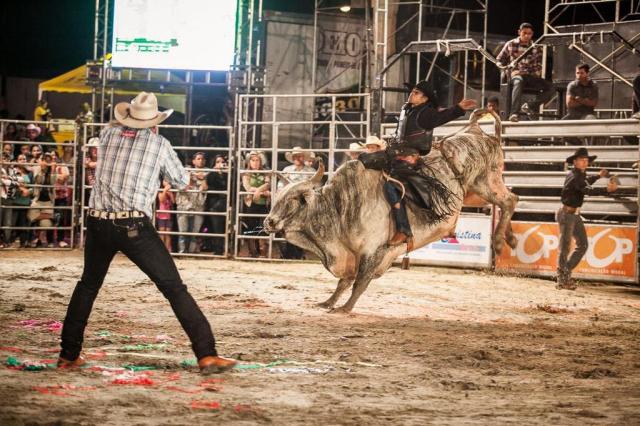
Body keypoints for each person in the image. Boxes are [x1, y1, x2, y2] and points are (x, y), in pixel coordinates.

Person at [57, 91, 236, 374]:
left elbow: (115, 139)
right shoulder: (159, 143)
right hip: (133, 226)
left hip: (98, 222)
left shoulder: (107, 136)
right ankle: (206, 353)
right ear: (155, 122)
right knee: (174, 288)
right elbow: (180, 179)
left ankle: (68, 354)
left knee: (88, 285)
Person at [371, 80, 476, 247]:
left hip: (408, 159)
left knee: (391, 187)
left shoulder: (425, 114)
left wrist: (459, 108)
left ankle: (404, 230)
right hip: (396, 154)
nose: (412, 94)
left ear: (425, 99)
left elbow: (441, 117)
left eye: (416, 92)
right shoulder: (408, 110)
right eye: (412, 91)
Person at [556, 147, 618, 290]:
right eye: (582, 160)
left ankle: (564, 273)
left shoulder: (577, 175)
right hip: (568, 214)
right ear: (575, 162)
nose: (585, 162)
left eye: (586, 160)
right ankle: (562, 279)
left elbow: (584, 183)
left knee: (580, 245)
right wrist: (606, 190)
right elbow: (586, 189)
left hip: (572, 214)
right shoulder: (576, 177)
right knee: (567, 247)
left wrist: (598, 176)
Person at [497, 22, 554, 122]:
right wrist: (507, 71)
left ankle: (530, 105)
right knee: (518, 81)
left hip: (529, 76)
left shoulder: (535, 47)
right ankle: (514, 114)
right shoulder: (510, 44)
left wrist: (527, 73)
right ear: (519, 32)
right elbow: (499, 61)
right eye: (524, 33)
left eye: (529, 34)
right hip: (515, 76)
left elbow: (538, 68)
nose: (527, 36)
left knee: (551, 87)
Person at [280, 147, 315, 259]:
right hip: (289, 203)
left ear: (303, 157)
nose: (297, 158)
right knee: (288, 227)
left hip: (304, 203)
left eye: (300, 156)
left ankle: (298, 253)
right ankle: (290, 253)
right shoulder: (286, 169)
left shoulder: (311, 172)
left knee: (301, 228)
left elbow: (316, 186)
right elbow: (280, 185)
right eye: (295, 156)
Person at [175, 152, 208, 253]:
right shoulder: (185, 171)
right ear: (193, 161)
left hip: (198, 204)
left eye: (202, 159)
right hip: (184, 205)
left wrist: (200, 178)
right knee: (183, 231)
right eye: (198, 159)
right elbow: (183, 186)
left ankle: (191, 252)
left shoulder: (207, 172)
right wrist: (189, 176)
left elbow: (205, 187)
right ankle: (182, 251)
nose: (200, 161)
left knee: (195, 231)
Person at [241, 151, 270, 258]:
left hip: (263, 204)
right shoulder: (246, 173)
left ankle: (263, 251)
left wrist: (258, 191)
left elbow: (268, 184)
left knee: (263, 227)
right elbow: (247, 187)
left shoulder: (265, 173)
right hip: (251, 204)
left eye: (257, 160)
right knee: (251, 227)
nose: (255, 163)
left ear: (261, 162)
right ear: (249, 162)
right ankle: (253, 252)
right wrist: (260, 191)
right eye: (253, 160)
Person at [203, 154, 228, 255]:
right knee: (216, 228)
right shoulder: (211, 174)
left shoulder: (227, 174)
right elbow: (210, 187)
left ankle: (224, 248)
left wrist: (225, 172)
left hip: (225, 204)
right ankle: (218, 249)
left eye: (222, 162)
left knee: (224, 227)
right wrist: (214, 172)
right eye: (218, 162)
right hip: (214, 205)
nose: (220, 164)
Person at [156, 180, 175, 252]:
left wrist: (170, 194)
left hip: (169, 215)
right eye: (165, 181)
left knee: (168, 234)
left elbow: (173, 202)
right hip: (161, 215)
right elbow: (161, 199)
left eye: (168, 181)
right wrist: (165, 190)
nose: (167, 182)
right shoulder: (160, 190)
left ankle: (167, 250)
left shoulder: (171, 191)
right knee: (162, 233)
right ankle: (161, 250)